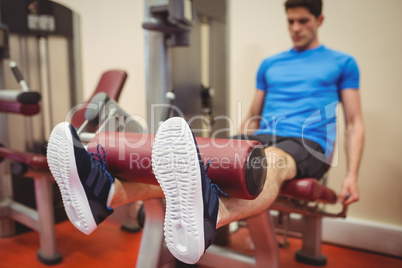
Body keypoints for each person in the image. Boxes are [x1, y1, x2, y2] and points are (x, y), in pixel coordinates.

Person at [46, 0, 364, 265]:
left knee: (270, 161)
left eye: (303, 21)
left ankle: (214, 215)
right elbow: (254, 115)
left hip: (309, 143)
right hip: (265, 135)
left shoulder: (342, 63)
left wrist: (351, 174)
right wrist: (237, 147)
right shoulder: (270, 64)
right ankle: (106, 192)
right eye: (290, 21)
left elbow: (353, 121)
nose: (295, 28)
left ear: (319, 19)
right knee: (190, 162)